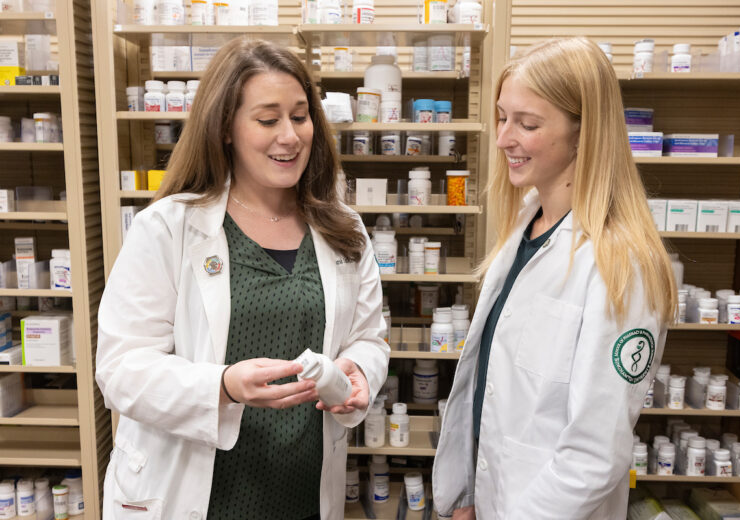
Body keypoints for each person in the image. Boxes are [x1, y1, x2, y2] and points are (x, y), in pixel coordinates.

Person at [96, 38, 389, 519]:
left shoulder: (342, 227)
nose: (290, 136)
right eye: (268, 119)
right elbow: (120, 369)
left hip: (302, 489)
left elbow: (368, 339)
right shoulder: (170, 227)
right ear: (226, 128)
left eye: (300, 116)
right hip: (197, 493)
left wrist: (359, 371)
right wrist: (224, 385)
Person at [432, 37, 677, 519]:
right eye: (502, 117)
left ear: (584, 133)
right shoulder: (528, 223)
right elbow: (495, 392)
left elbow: (595, 455)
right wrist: (474, 497)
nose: (503, 138)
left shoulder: (619, 261)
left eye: (527, 124)